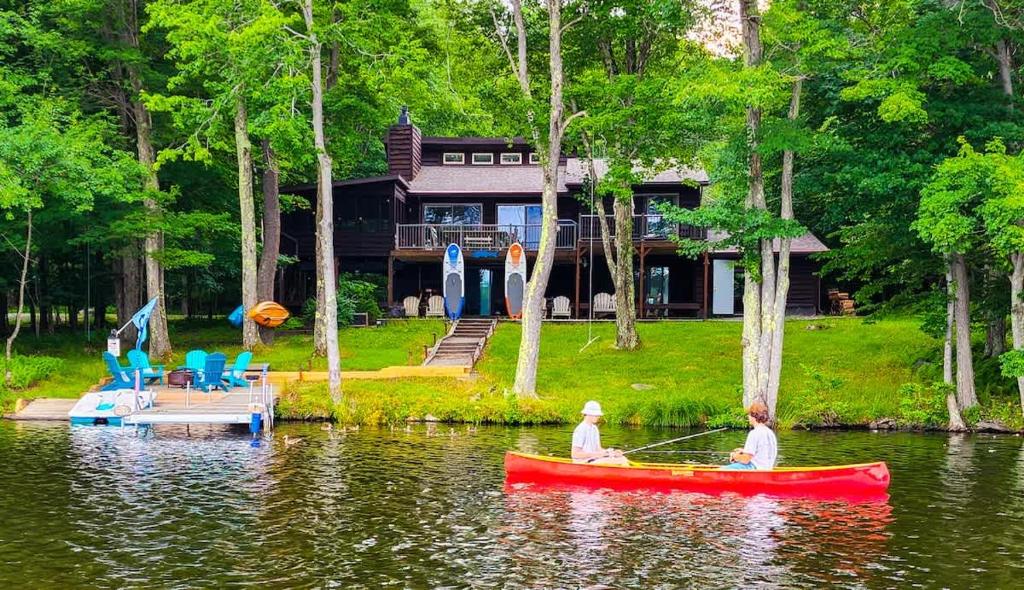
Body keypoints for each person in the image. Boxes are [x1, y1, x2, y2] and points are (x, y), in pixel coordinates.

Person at [722, 400, 778, 470]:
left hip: (755, 468)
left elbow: (745, 460)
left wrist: (734, 456)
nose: (748, 417)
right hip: (767, 469)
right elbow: (764, 452)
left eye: (749, 414)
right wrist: (744, 451)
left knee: (720, 470)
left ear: (753, 416)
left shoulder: (754, 433)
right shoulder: (770, 433)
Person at [571, 401, 630, 465]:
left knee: (622, 458)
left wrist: (611, 452)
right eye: (596, 414)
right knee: (621, 461)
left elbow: (598, 449)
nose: (598, 416)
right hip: (582, 463)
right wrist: (598, 454)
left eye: (598, 414)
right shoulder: (580, 429)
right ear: (588, 413)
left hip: (593, 460)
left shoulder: (594, 428)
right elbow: (575, 454)